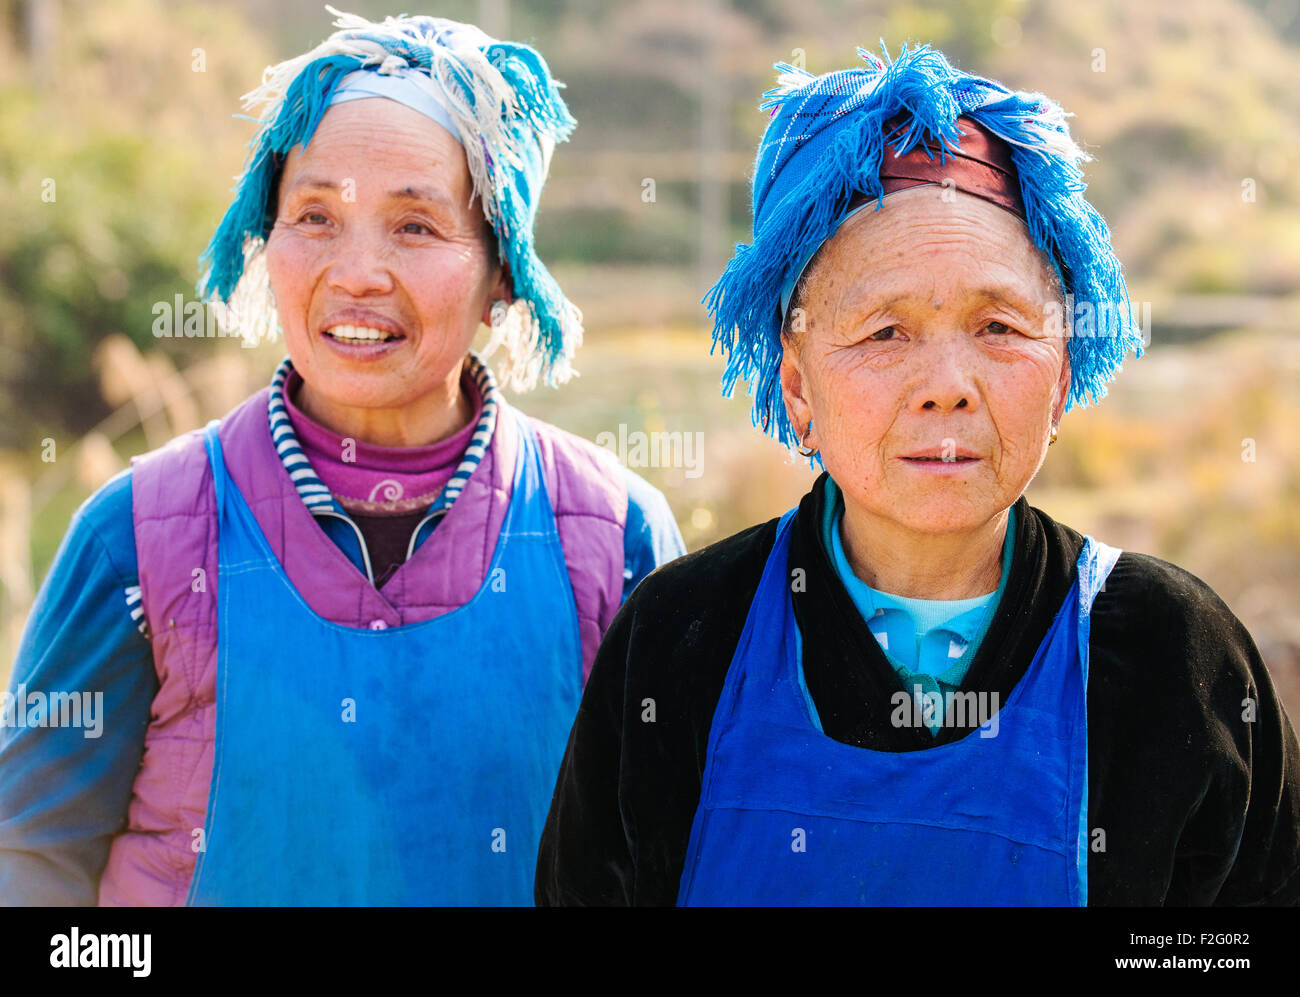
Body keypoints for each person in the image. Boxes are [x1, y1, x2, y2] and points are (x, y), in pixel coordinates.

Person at [536, 43, 1300, 906]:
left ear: (1059, 375)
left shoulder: (1173, 658)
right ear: (798, 387)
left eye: (1000, 325)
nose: (947, 387)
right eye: (884, 332)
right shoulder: (678, 644)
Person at [0, 9, 683, 906]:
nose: (357, 272)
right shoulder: (138, 539)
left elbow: (677, 857)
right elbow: (30, 861)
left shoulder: (610, 539)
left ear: (502, 273)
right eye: (315, 215)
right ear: (267, 237)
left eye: (415, 227)